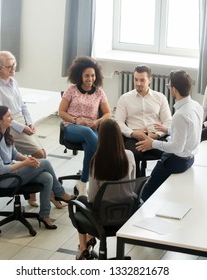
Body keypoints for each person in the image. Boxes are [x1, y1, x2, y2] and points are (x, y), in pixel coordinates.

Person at [0, 106, 75, 229]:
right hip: (5, 179)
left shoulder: (5, 134)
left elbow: (14, 154)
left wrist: (29, 160)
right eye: (8, 116)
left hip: (13, 171)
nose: (11, 118)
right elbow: (1, 169)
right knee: (45, 163)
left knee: (47, 177)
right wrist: (25, 163)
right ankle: (60, 193)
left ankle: (45, 216)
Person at [0, 51, 45, 207]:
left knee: (42, 153)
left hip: (21, 121)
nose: (13, 68)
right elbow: (0, 115)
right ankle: (50, 192)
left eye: (14, 65)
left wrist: (30, 122)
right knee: (39, 154)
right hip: (9, 124)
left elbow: (22, 105)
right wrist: (22, 128)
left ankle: (33, 195)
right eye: (9, 66)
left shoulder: (13, 81)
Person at [136, 70, 203, 201]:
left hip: (176, 161)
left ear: (174, 90)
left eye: (169, 86)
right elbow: (190, 133)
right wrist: (168, 130)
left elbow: (177, 148)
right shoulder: (196, 106)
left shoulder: (180, 114)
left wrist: (152, 144)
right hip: (190, 159)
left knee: (147, 190)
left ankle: (136, 210)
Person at [75, 119, 136, 260]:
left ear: (101, 137)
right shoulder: (130, 155)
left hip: (103, 216)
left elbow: (92, 197)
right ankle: (89, 240)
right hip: (127, 212)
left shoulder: (97, 160)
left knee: (80, 200)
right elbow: (132, 186)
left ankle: (83, 248)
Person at [58, 56, 112, 196]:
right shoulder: (71, 90)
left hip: (92, 129)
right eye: (87, 75)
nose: (90, 78)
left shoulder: (100, 93)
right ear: (80, 76)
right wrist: (76, 120)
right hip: (72, 128)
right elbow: (61, 112)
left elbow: (108, 114)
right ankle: (108, 162)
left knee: (89, 148)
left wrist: (97, 122)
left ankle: (82, 184)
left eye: (93, 75)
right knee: (87, 133)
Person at [114, 64, 172, 177]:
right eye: (136, 79)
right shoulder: (125, 98)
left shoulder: (160, 98)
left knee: (171, 154)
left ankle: (158, 183)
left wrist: (156, 135)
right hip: (135, 137)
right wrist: (133, 133)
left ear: (150, 80)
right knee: (131, 155)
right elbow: (118, 122)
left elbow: (168, 121)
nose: (138, 83)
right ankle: (136, 187)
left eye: (142, 80)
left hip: (156, 137)